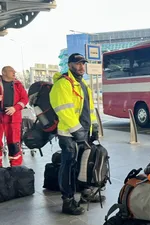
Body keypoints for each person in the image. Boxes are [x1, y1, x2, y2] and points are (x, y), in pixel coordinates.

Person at [49, 53, 103, 215]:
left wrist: (93, 127)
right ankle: (68, 201)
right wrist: (78, 132)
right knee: (69, 166)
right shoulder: (63, 84)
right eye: (78, 63)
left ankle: (84, 193)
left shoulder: (82, 84)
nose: (81, 67)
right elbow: (64, 111)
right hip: (68, 134)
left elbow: (89, 109)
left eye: (83, 64)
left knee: (81, 164)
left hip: (83, 132)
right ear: (70, 65)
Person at [0, 66, 28, 167]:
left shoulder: (18, 85)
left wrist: (15, 108)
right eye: (11, 71)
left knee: (14, 144)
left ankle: (16, 168)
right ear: (3, 72)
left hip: (13, 119)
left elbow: (25, 99)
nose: (14, 72)